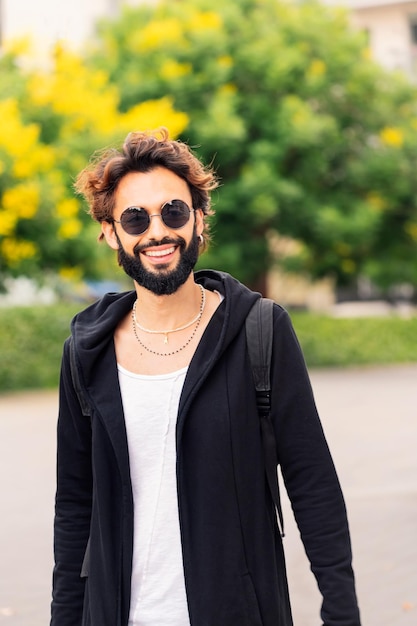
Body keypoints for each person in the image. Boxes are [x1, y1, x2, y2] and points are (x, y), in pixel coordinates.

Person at [51, 128, 361, 626]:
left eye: (173, 211)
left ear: (199, 219)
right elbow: (73, 507)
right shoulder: (85, 354)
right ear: (110, 231)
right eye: (135, 218)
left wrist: (342, 615)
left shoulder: (260, 331)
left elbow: (313, 484)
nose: (157, 232)